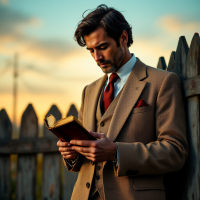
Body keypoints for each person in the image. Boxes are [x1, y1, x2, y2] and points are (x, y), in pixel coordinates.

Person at [57, 4, 188, 200]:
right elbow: (86, 159)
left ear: (123, 38)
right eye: (91, 50)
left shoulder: (162, 82)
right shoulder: (89, 91)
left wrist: (116, 152)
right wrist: (73, 154)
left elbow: (175, 152)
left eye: (102, 47)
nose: (96, 57)